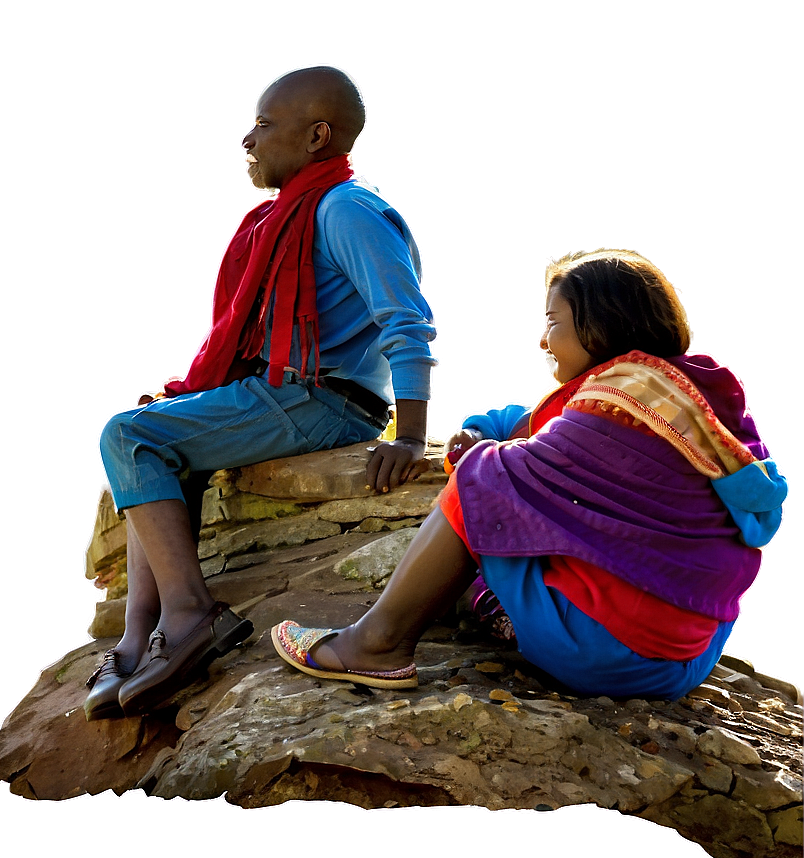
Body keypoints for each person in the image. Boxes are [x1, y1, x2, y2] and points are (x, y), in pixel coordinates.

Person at [272, 249, 788, 701]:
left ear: (600, 323)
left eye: (553, 321)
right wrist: (481, 429)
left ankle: (375, 644)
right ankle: (491, 607)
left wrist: (476, 454)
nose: (544, 341)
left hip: (608, 654)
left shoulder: (611, 404)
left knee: (483, 480)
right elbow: (528, 423)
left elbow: (502, 471)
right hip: (682, 663)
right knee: (508, 478)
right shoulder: (689, 398)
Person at [84, 64, 438, 721]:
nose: (248, 139)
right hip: (280, 393)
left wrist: (412, 436)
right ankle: (137, 637)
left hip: (324, 404)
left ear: (316, 136)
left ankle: (191, 615)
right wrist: (189, 405)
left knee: (126, 436)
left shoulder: (346, 208)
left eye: (266, 125)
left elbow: (405, 319)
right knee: (153, 434)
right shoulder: (277, 220)